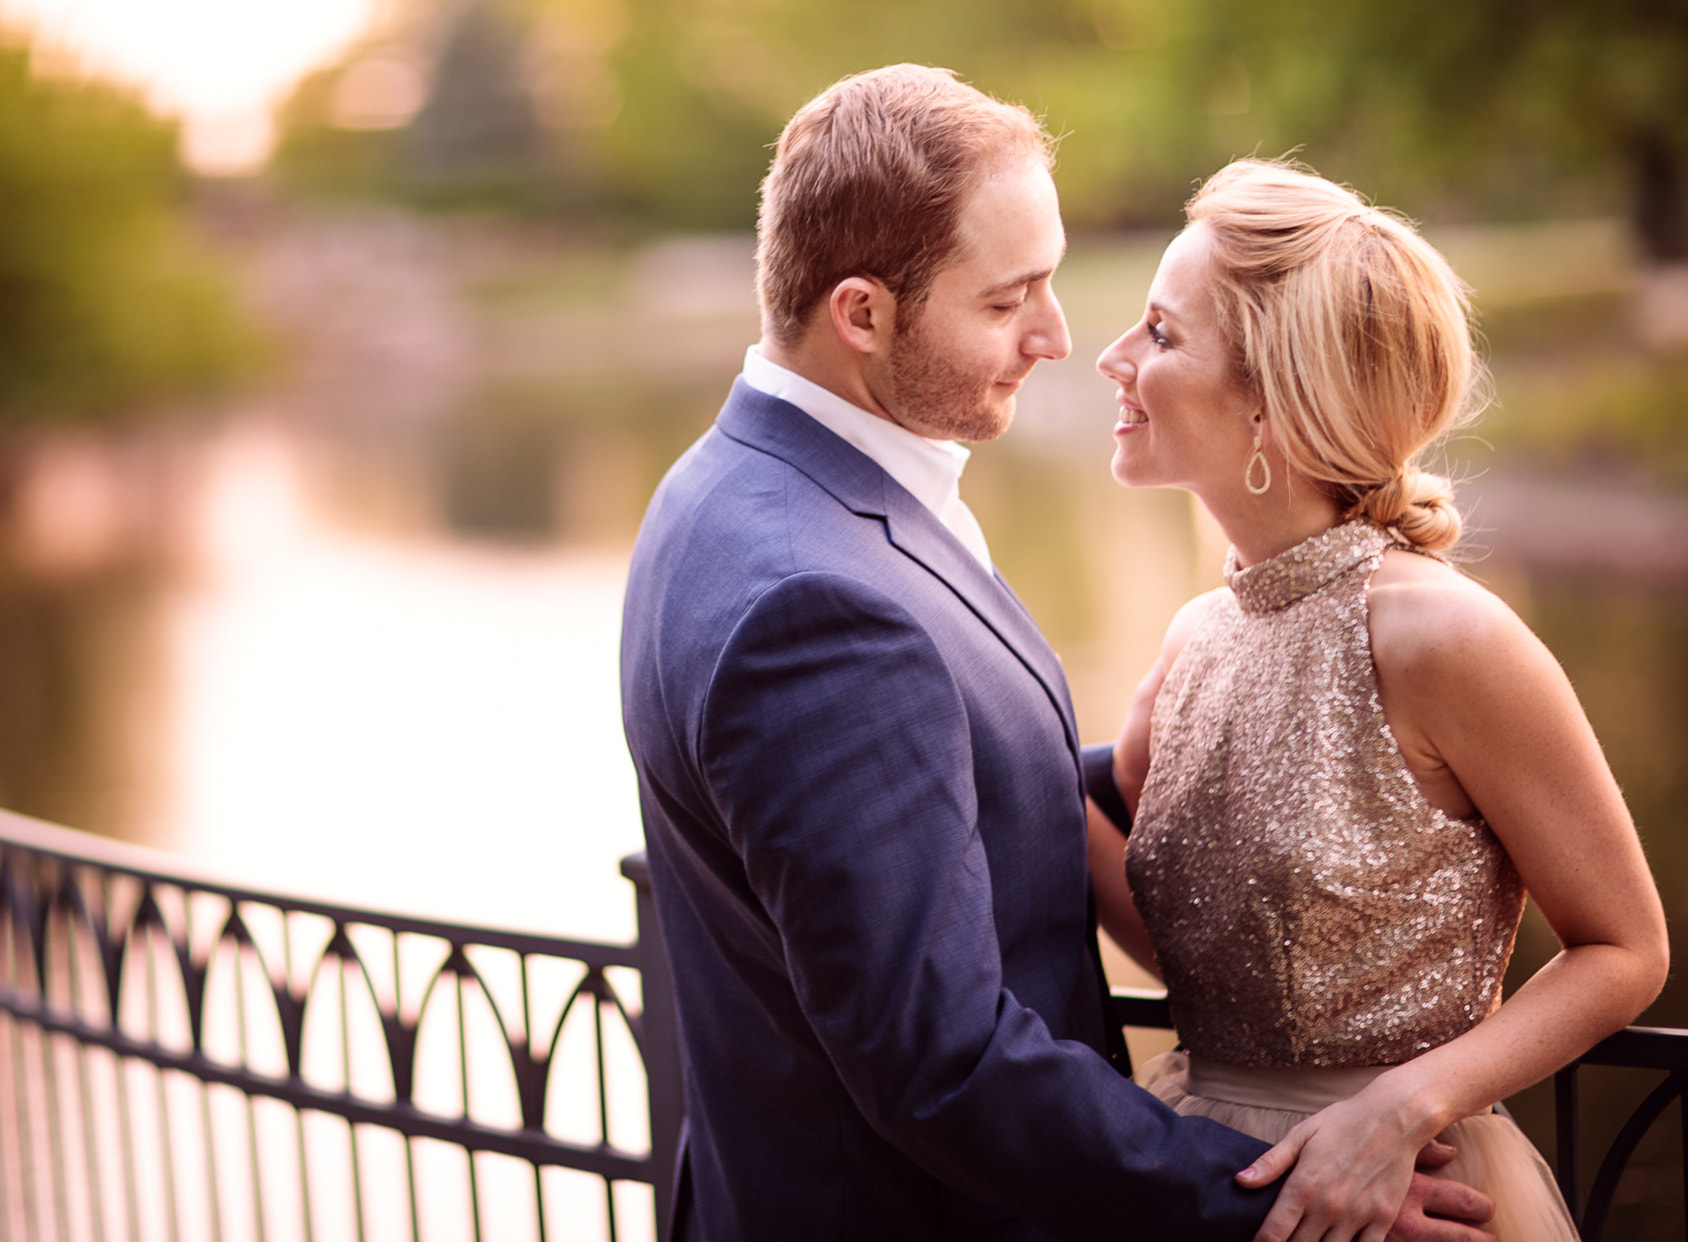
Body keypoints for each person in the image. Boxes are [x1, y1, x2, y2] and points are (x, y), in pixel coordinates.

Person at [620, 66, 1495, 1241]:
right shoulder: (817, 601)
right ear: (862, 312)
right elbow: (942, 1062)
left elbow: (901, 787)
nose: (1056, 335)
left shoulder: (723, 489)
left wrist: (1222, 758)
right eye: (1006, 299)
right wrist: (1275, 1206)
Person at [1088, 158, 1671, 1242]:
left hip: (1400, 1188)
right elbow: (1215, 969)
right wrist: (1021, 783)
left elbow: (1624, 949)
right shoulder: (1193, 636)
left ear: (1271, 401)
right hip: (1209, 1173)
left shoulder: (1445, 636)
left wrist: (1401, 1106)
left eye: (1161, 335)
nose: (1112, 358)